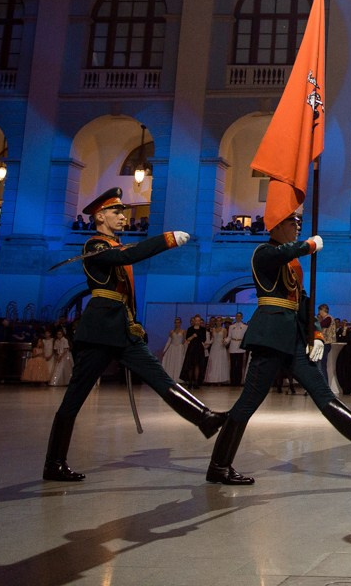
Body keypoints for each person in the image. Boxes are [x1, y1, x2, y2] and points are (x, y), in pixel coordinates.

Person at [42, 187, 226, 482]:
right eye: (116, 212)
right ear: (99, 216)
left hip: (122, 330)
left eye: (123, 213)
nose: (122, 218)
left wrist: (133, 323)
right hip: (100, 332)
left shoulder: (113, 247)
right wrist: (166, 240)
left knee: (159, 377)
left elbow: (126, 285)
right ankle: (54, 462)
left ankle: (203, 417)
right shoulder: (95, 246)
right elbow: (132, 254)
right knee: (74, 399)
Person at [205, 211, 351, 485]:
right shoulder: (264, 253)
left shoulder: (292, 264)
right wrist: (308, 245)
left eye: (298, 223)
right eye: (292, 222)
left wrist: (316, 333)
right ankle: (218, 466)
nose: (297, 226)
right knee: (248, 402)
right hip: (270, 337)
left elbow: (303, 301)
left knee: (320, 390)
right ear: (278, 224)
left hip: (292, 337)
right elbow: (279, 255)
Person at [181, 314, 208, 388]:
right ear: (194, 321)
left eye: (199, 320)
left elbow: (204, 339)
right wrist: (193, 336)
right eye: (196, 320)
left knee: (197, 365)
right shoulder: (190, 329)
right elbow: (187, 339)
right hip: (192, 348)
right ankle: (190, 382)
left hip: (199, 348)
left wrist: (198, 336)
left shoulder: (203, 329)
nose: (197, 322)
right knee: (190, 365)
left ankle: (196, 382)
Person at [204, 317, 230, 385]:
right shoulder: (213, 330)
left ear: (221, 322)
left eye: (220, 321)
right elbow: (212, 339)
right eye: (217, 321)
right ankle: (213, 380)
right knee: (213, 363)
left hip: (221, 347)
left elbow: (225, 339)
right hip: (214, 347)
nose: (218, 322)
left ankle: (220, 380)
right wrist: (208, 343)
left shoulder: (224, 330)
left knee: (220, 363)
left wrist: (225, 342)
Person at [226, 312, 248, 386]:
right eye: (237, 316)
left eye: (239, 316)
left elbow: (245, 337)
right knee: (233, 365)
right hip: (233, 346)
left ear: (242, 317)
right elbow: (229, 336)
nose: (238, 318)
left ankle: (238, 381)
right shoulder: (231, 327)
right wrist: (225, 341)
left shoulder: (245, 327)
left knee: (239, 364)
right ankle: (233, 381)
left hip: (240, 346)